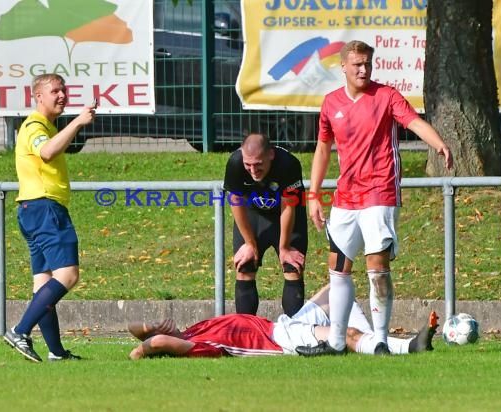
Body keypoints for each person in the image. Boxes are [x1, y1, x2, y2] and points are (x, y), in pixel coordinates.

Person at [306, 40, 454, 356]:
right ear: (343, 66)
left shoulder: (386, 96)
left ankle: (382, 340)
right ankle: (335, 343)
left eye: (367, 64)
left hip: (379, 194)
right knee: (338, 268)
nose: (363, 70)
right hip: (346, 198)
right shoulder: (331, 103)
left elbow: (413, 121)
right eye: (357, 64)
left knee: (377, 268)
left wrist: (438, 143)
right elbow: (323, 148)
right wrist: (313, 194)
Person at [3, 73, 97, 362]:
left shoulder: (43, 126)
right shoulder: (34, 126)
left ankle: (56, 352)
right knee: (68, 275)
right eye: (55, 91)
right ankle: (19, 331)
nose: (62, 95)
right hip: (45, 209)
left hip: (34, 211)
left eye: (64, 90)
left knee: (43, 285)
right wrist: (78, 122)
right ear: (38, 97)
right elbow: (47, 151)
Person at [127, 284, 439, 359]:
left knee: (338, 290)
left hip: (279, 324)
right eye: (157, 328)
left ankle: (376, 343)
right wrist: (145, 346)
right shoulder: (197, 344)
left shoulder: (195, 328)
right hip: (279, 340)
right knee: (345, 334)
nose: (160, 326)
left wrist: (151, 323)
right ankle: (408, 347)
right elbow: (153, 343)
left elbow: (133, 326)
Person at [223, 133, 307, 316]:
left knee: (293, 266)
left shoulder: (288, 164)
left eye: (258, 164)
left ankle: (296, 333)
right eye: (248, 165)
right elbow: (235, 201)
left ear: (271, 154)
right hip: (252, 213)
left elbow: (288, 206)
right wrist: (249, 243)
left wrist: (284, 248)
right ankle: (247, 332)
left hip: (286, 214)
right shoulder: (235, 162)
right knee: (244, 266)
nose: (253, 170)